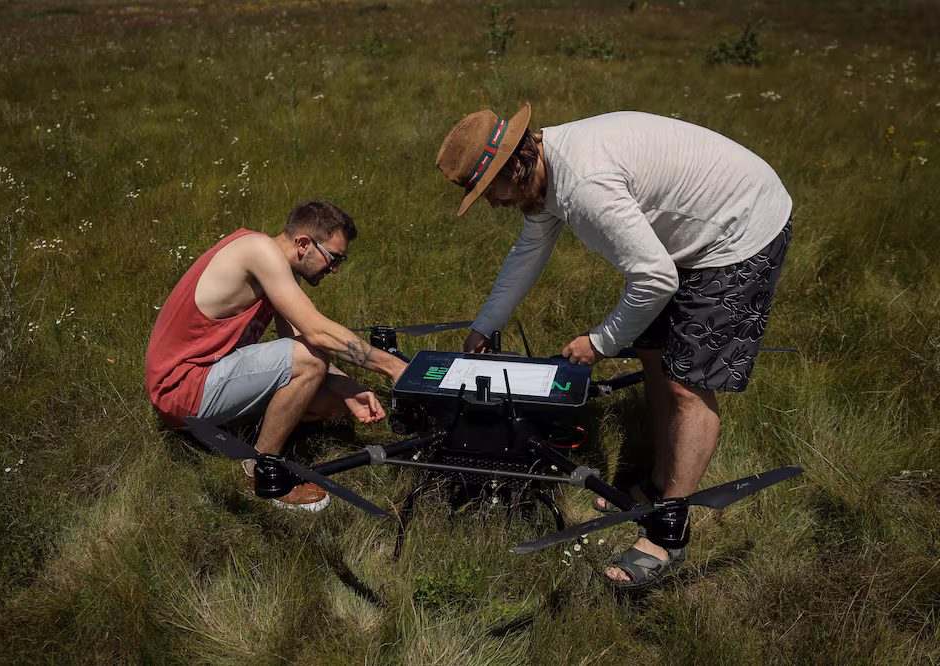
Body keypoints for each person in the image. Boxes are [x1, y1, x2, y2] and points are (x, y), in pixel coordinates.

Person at [436, 104, 792, 589]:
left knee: (687, 385)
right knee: (653, 354)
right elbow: (528, 252)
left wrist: (600, 342)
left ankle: (668, 533)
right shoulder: (543, 173)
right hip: (688, 233)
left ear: (513, 168)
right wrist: (484, 326)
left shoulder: (583, 185)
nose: (493, 204)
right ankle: (659, 483)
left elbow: (655, 278)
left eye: (488, 191)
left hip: (740, 229)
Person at [145, 200, 407, 511]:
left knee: (334, 404)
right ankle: (260, 472)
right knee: (311, 362)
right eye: (334, 258)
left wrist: (347, 387)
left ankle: (238, 431)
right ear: (304, 244)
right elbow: (316, 336)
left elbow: (297, 338)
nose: (335, 269)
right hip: (181, 390)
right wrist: (394, 367)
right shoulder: (259, 251)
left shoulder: (277, 266)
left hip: (205, 382)